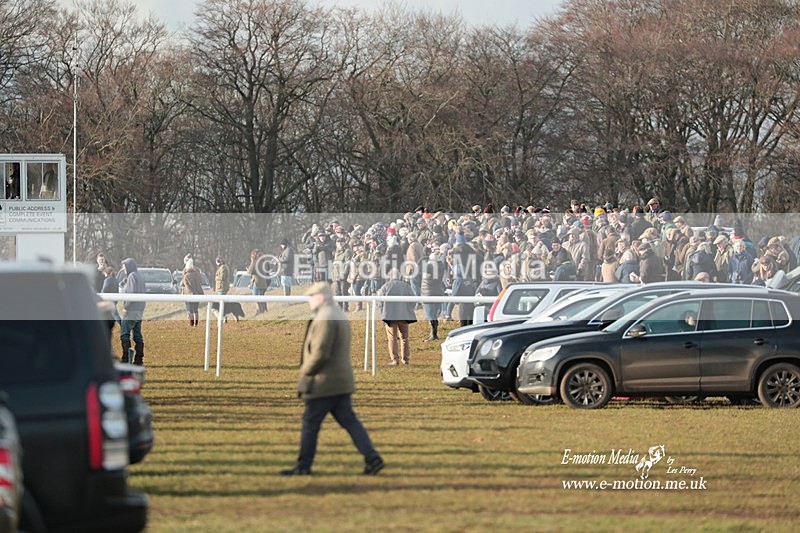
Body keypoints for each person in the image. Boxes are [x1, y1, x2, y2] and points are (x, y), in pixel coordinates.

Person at [281, 282, 383, 476]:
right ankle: (372, 458)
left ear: (321, 297)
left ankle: (303, 466)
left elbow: (320, 353)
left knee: (310, 424)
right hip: (340, 381)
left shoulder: (325, 318)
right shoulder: (336, 313)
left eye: (312, 297)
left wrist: (305, 371)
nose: (309, 301)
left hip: (324, 382)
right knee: (350, 422)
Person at [378, 270, 417, 365]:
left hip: (390, 316)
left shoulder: (385, 287)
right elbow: (413, 301)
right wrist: (408, 310)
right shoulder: (407, 286)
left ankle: (395, 359)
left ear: (390, 276)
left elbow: (380, 303)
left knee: (392, 338)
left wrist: (382, 314)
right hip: (404, 315)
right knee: (405, 338)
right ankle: (406, 359)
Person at [120, 258, 146, 365]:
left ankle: (126, 358)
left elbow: (131, 294)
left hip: (131, 310)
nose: (123, 269)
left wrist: (126, 308)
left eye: (124, 266)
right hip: (139, 310)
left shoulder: (131, 277)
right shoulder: (139, 276)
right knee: (137, 335)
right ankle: (139, 358)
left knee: (124, 334)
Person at [181, 258, 204, 326]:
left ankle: (191, 323)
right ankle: (196, 323)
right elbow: (199, 284)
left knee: (190, 310)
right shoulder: (196, 274)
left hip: (189, 294)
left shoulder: (186, 276)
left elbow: (185, 285)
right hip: (197, 293)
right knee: (196, 310)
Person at [247, 249, 269, 314]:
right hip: (264, 283)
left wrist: (252, 262)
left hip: (257, 282)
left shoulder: (255, 262)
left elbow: (250, 271)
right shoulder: (264, 262)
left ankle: (260, 310)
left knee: (255, 297)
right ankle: (264, 309)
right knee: (261, 296)